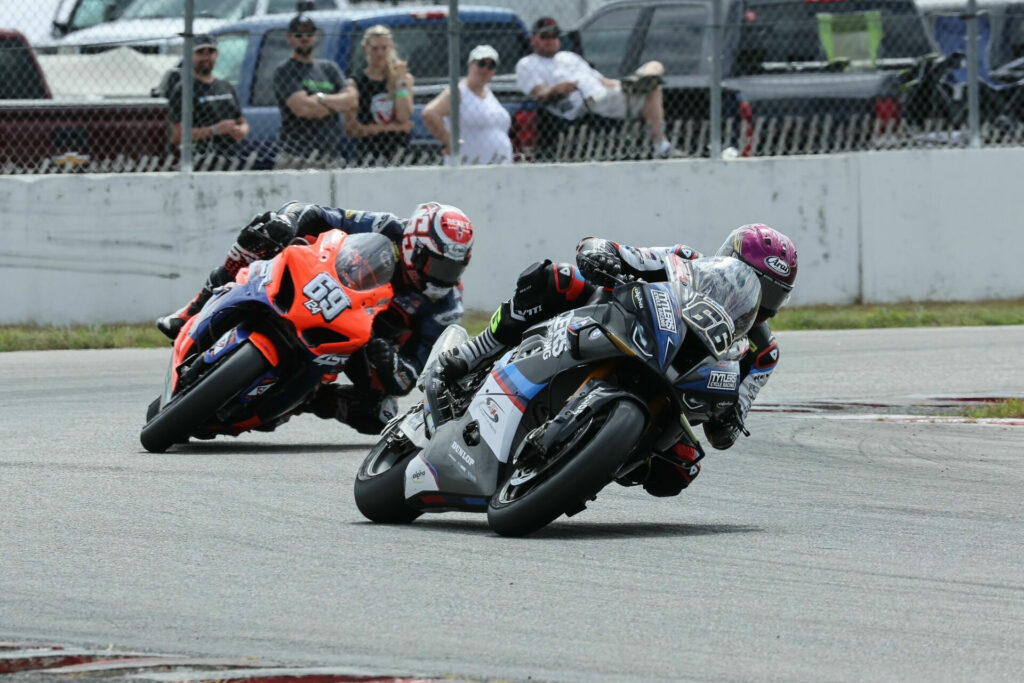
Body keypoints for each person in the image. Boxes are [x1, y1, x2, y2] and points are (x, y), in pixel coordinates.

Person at [440, 224, 798, 497]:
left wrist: (730, 416)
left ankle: (588, 459)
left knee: (679, 472)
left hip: (674, 391)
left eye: (772, 294)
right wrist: (603, 253)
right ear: (727, 261)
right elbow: (630, 254)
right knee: (555, 280)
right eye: (754, 283)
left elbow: (725, 432)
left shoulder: (764, 353)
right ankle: (477, 351)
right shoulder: (686, 260)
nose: (759, 300)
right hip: (622, 328)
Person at [155, 201, 475, 434]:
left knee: (380, 415)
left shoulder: (446, 306)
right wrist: (290, 221)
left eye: (452, 270)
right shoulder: (387, 227)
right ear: (412, 246)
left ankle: (308, 399)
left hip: (361, 341)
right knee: (266, 227)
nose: (441, 279)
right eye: (436, 266)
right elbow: (321, 214)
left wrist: (390, 363)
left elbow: (410, 375)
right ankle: (193, 309)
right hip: (322, 286)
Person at [516, 16, 679, 159]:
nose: (551, 39)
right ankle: (661, 145)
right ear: (533, 40)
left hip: (608, 93)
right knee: (653, 90)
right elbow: (541, 93)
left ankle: (638, 81)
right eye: (545, 36)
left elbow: (604, 80)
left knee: (655, 66)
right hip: (589, 101)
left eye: (554, 35)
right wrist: (556, 89)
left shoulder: (570, 56)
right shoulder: (528, 63)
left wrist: (620, 84)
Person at [273, 13, 358, 169]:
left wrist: (320, 99)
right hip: (297, 157)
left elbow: (352, 101)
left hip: (330, 156)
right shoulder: (285, 71)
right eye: (298, 34)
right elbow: (303, 108)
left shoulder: (329, 68)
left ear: (316, 36)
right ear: (289, 38)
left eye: (309, 33)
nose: (304, 38)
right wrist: (336, 103)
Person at [422, 44, 513, 166]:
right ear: (470, 65)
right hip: (468, 166)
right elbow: (430, 113)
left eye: (491, 66)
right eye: (481, 64)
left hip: (498, 167)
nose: (485, 69)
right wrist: (449, 141)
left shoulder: (489, 94)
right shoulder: (459, 92)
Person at [167, 34, 249, 167]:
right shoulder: (184, 89)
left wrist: (240, 131)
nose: (206, 57)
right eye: (200, 53)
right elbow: (176, 135)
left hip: (229, 160)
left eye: (210, 52)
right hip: (199, 161)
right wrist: (214, 130)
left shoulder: (226, 87)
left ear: (216, 55)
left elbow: (242, 122)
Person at [345, 25, 414, 164]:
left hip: (399, 151)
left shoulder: (403, 80)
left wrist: (400, 83)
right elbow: (352, 129)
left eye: (384, 48)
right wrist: (393, 127)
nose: (380, 54)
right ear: (365, 49)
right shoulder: (355, 83)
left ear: (391, 48)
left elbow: (403, 116)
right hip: (369, 153)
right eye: (374, 48)